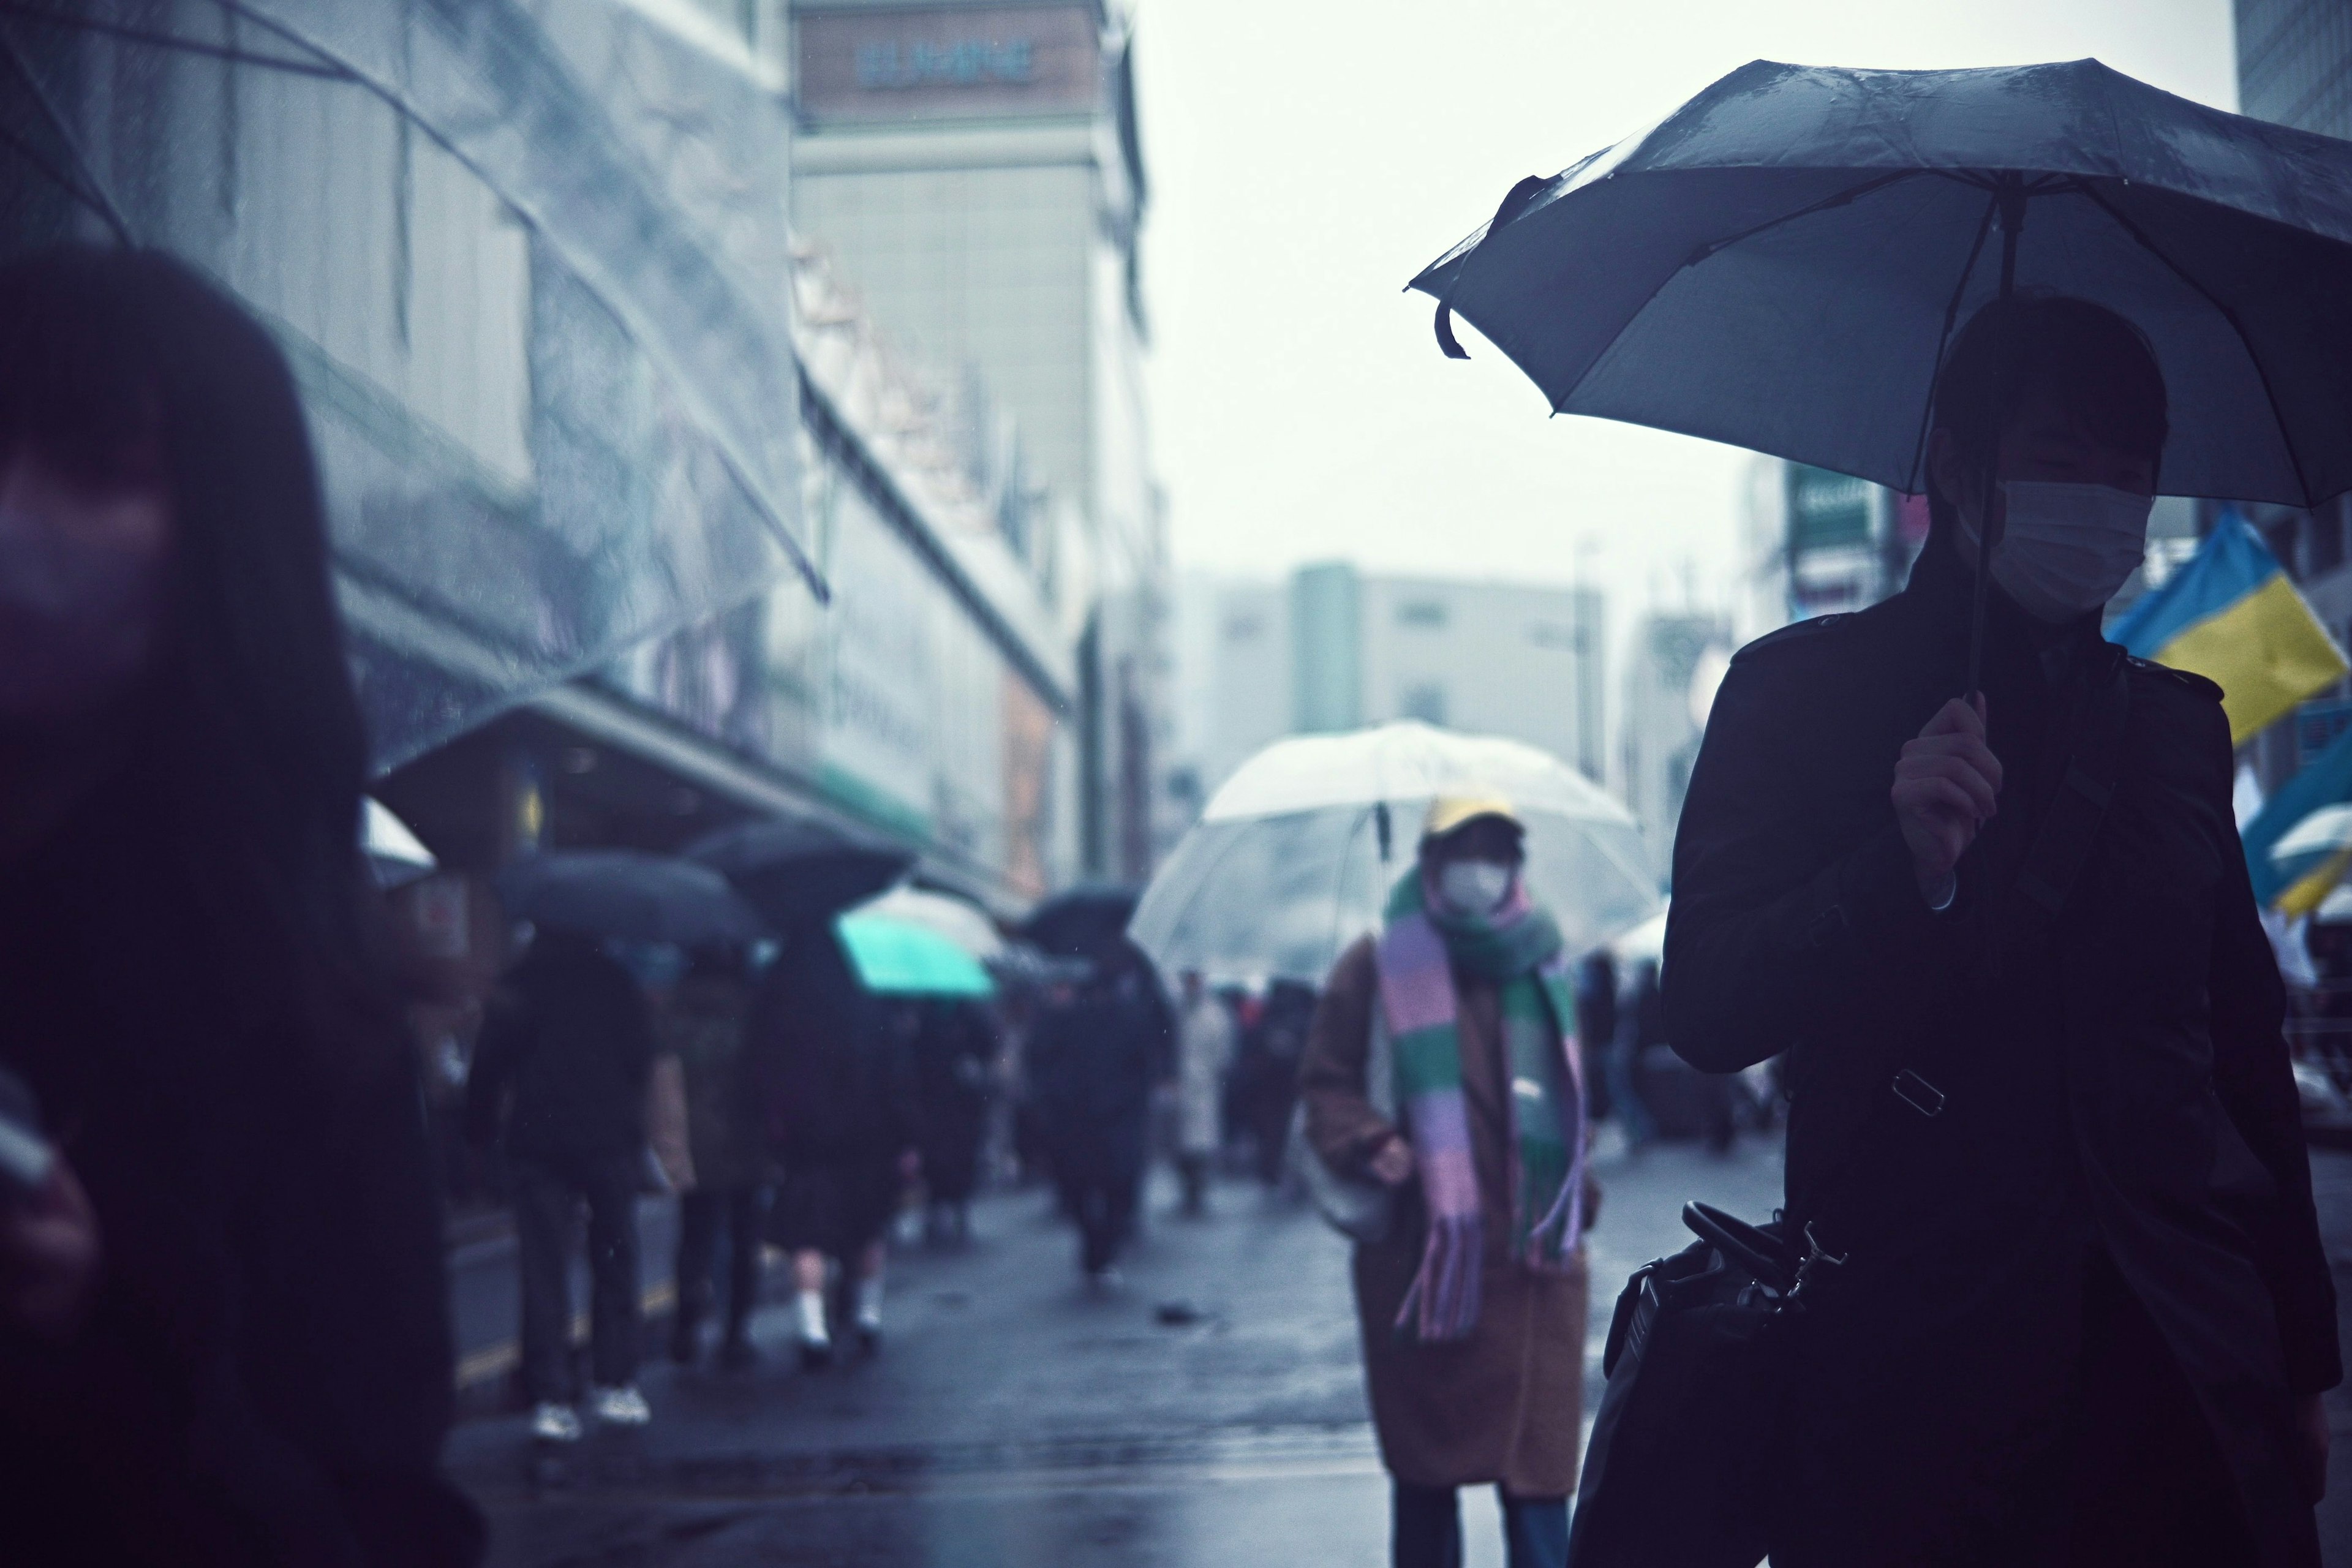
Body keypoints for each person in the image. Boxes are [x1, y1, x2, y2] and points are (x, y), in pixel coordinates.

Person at [1666, 293, 2338, 1567]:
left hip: (2184, 1377)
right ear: (1960, 470)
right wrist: (1895, 864)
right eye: (2059, 462)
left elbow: (2244, 1056)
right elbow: (1706, 1003)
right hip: (1913, 1401)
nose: (2099, 502)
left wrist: (2300, 1362)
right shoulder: (1800, 692)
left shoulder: (2177, 724)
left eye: (2127, 475)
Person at [0, 246, 483, 1562]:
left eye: (93, 469)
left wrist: (108, 1314)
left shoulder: (294, 1017)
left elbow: (375, 1510)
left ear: (223, 537)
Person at [1300, 797, 1599, 1568]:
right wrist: (1370, 1139)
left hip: (1535, 1265)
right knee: (1427, 1484)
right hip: (1427, 1266)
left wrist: (1575, 1182)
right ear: (1431, 859)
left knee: (1538, 1489)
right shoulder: (1375, 960)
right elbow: (1326, 1084)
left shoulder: (1543, 954)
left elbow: (1567, 1101)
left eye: (1497, 848)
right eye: (1466, 847)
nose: (1482, 866)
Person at [467, 925, 658, 1441]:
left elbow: (487, 1069)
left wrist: (476, 1139)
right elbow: (643, 1057)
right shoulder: (618, 983)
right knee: (616, 1259)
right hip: (609, 1140)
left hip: (539, 1143)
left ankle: (552, 1395)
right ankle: (615, 1381)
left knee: (544, 1268)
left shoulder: (521, 983)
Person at [750, 923, 918, 1368]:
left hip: (807, 1144)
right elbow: (894, 1080)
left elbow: (761, 1076)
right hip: (868, 1142)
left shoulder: (778, 1009)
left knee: (808, 1236)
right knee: (866, 1230)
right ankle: (867, 1318)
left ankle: (813, 1331)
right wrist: (904, 1139)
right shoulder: (866, 1007)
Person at [1027, 941, 1173, 1283]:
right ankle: (1101, 1247)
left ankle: (1097, 1247)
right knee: (1111, 1185)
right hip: (1107, 1117)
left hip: (1083, 1118)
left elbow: (1043, 1063)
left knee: (1086, 1186)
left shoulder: (1067, 1019)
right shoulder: (1124, 1016)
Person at [663, 943, 764, 1369]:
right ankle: (736, 1333)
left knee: (695, 1232)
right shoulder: (753, 1006)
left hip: (695, 1135)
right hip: (745, 1132)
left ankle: (687, 1319)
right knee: (745, 1238)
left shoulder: (677, 1005)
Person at [911, 998, 998, 1245]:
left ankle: (956, 1208)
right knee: (939, 1157)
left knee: (960, 1155)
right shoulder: (926, 1014)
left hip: (960, 1100)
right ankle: (941, 1208)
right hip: (937, 1099)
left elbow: (988, 1045)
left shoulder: (969, 1014)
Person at [1172, 968, 1237, 1216]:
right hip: (1182, 1084)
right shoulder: (1177, 1011)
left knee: (1199, 1143)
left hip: (1204, 1086)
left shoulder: (1214, 1014)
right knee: (1181, 1144)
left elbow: (1224, 1052)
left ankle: (1197, 1193)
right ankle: (1187, 1192)